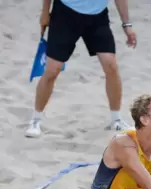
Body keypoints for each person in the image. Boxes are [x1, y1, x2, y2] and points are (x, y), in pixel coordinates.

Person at [26, 0, 136, 137]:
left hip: (98, 16)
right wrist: (45, 13)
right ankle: (35, 120)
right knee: (53, 70)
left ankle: (116, 119)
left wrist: (127, 24)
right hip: (65, 14)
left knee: (111, 65)